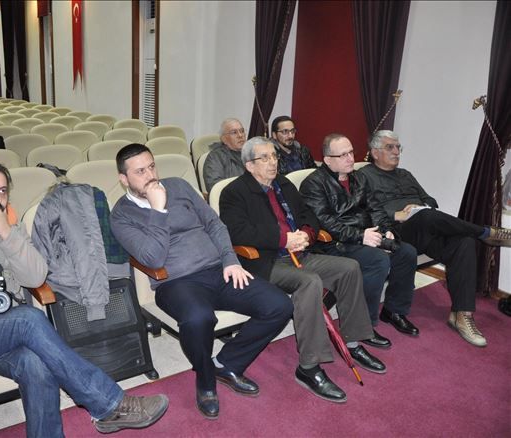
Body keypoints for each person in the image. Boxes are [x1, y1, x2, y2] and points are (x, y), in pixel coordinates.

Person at [0, 161, 168, 437]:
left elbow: (36, 277)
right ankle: (110, 405)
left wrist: (6, 234)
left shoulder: (7, 226)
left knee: (36, 364)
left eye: (2, 191)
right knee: (28, 319)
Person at [111, 144, 293, 418]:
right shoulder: (121, 215)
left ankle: (226, 363)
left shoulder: (178, 186)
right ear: (124, 179)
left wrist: (230, 260)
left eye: (152, 166)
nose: (150, 175)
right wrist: (158, 210)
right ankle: (205, 380)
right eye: (140, 172)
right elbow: (153, 259)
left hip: (219, 270)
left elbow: (214, 224)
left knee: (279, 305)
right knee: (199, 318)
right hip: (175, 283)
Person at [218, 137, 386, 393]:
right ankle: (309, 366)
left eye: (274, 156)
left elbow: (309, 215)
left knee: (349, 268)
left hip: (300, 253)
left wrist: (306, 234)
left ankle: (353, 342)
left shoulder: (283, 184)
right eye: (265, 158)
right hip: (265, 261)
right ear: (249, 165)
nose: (273, 162)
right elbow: (237, 232)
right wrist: (283, 239)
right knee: (309, 281)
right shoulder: (234, 192)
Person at [360, 130, 511, 347]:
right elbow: (362, 211)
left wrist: (419, 206)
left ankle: (462, 315)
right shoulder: (363, 176)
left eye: (398, 147)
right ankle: (486, 233)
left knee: (464, 242)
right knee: (428, 217)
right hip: (394, 232)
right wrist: (396, 214)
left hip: (422, 229)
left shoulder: (405, 175)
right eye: (390, 147)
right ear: (375, 152)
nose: (396, 152)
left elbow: (430, 200)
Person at [300, 133, 419, 347]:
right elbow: (326, 223)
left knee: (406, 253)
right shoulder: (314, 184)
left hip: (365, 235)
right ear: (327, 160)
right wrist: (361, 236)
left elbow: (375, 208)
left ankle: (394, 311)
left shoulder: (358, 178)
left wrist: (387, 230)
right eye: (343, 155)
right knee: (378, 260)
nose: (350, 158)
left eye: (351, 152)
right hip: (334, 243)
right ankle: (366, 325)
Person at [202, 118, 247, 193]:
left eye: (242, 131)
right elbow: (214, 187)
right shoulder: (215, 157)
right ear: (224, 139)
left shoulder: (252, 153)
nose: (240, 135)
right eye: (234, 132)